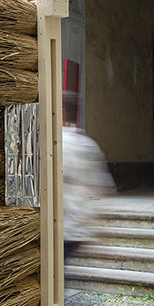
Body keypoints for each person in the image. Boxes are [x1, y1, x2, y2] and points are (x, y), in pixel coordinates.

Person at [62, 95, 115, 263]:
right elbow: (106, 188)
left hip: (62, 225)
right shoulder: (87, 144)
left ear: (62, 112)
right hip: (76, 225)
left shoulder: (56, 143)